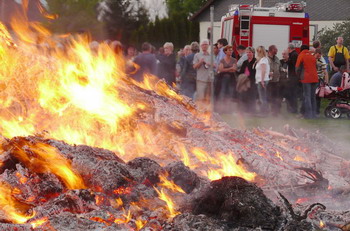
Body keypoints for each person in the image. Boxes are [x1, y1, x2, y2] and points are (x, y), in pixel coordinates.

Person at [296, 45, 318, 119]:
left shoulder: (301, 55)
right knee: (313, 97)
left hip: (306, 78)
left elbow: (297, 68)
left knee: (307, 96)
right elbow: (316, 67)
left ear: (301, 50)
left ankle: (308, 115)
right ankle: (313, 114)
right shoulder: (312, 56)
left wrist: (299, 78)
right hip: (314, 78)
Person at [215, 45, 237, 112]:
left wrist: (225, 69)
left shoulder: (234, 60)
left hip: (231, 79)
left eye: (231, 50)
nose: (231, 51)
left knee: (230, 93)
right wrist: (230, 68)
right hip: (222, 79)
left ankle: (229, 109)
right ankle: (221, 108)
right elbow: (221, 70)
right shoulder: (222, 60)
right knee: (222, 92)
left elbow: (234, 69)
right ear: (225, 51)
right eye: (229, 50)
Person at [193, 39, 213, 110]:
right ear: (201, 46)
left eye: (206, 44)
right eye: (203, 44)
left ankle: (207, 112)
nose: (204, 46)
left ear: (208, 46)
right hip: (201, 79)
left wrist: (210, 64)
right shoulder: (197, 55)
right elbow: (194, 66)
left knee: (208, 97)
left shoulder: (211, 55)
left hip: (210, 79)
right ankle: (200, 110)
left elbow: (216, 65)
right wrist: (200, 62)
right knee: (200, 97)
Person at [238, 47, 257, 114]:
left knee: (252, 96)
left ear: (253, 53)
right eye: (247, 52)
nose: (248, 54)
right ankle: (244, 109)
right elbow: (241, 72)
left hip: (252, 81)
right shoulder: (245, 62)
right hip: (245, 81)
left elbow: (255, 72)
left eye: (250, 52)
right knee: (244, 95)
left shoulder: (255, 61)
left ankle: (252, 110)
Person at [255, 45, 270, 115]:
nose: (257, 52)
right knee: (263, 97)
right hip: (260, 80)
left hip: (262, 81)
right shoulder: (262, 60)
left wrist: (262, 80)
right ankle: (265, 111)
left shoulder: (263, 60)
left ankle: (264, 112)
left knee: (262, 97)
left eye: (259, 51)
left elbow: (263, 70)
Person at [267, 45, 282, 116]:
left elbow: (280, 67)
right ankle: (267, 111)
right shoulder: (266, 59)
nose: (277, 50)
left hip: (276, 81)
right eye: (275, 49)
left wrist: (283, 70)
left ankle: (275, 111)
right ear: (271, 50)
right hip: (268, 81)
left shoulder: (277, 59)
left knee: (276, 97)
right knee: (268, 97)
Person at [314, 48, 329, 115]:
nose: (319, 57)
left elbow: (325, 72)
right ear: (315, 53)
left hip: (319, 79)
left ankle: (317, 111)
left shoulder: (321, 61)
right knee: (313, 95)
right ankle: (314, 111)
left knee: (317, 96)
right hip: (312, 79)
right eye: (318, 55)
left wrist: (326, 81)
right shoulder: (311, 59)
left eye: (320, 55)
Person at [286, 43, 299, 113]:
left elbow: (294, 66)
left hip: (293, 78)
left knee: (293, 93)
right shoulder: (294, 54)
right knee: (292, 93)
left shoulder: (293, 55)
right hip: (293, 77)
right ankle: (292, 108)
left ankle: (293, 109)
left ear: (289, 48)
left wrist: (288, 60)